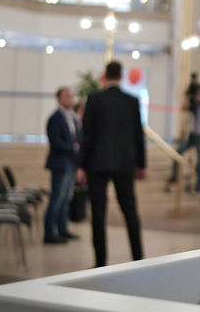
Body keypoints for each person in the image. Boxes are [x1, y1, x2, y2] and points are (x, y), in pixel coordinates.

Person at [78, 61, 146, 268]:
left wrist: (81, 165)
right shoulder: (131, 101)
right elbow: (138, 135)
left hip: (96, 163)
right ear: (122, 76)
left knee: (98, 214)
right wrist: (141, 164)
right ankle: (138, 259)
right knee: (130, 212)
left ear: (104, 76)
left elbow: (86, 135)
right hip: (125, 163)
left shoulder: (94, 99)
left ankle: (100, 262)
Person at [43, 86, 80, 244]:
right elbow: (56, 142)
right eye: (67, 95)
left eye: (71, 95)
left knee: (66, 198)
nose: (70, 98)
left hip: (71, 163)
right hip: (60, 163)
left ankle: (63, 229)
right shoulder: (55, 118)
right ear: (59, 99)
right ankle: (49, 233)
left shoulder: (71, 117)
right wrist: (73, 148)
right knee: (57, 198)